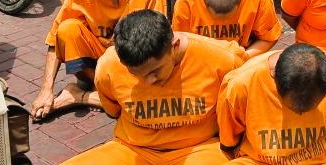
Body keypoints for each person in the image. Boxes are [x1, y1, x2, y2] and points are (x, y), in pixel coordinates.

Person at [62, 10, 246, 165]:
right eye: (136, 74)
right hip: (133, 148)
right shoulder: (108, 66)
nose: (148, 81)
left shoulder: (223, 59)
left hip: (201, 149)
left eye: (155, 71)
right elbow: (114, 110)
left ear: (174, 46)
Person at [30, 0, 166, 121]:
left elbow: (157, 36)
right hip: (99, 62)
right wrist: (46, 90)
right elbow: (54, 40)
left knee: (150, 99)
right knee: (67, 29)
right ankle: (105, 92)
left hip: (133, 60)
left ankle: (80, 96)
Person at [217, 43, 326, 165]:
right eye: (293, 107)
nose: (300, 114)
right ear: (275, 80)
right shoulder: (241, 85)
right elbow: (229, 144)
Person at [172, 0, 282, 58]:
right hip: (202, 60)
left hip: (243, 58)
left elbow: (269, 38)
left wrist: (243, 57)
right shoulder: (187, 2)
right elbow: (181, 46)